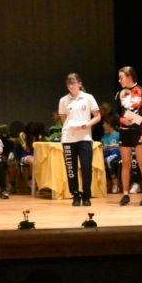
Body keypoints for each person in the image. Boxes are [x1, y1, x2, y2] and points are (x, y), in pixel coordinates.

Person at [58, 73, 101, 206]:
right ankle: (75, 194)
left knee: (86, 167)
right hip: (68, 138)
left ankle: (86, 195)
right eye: (68, 83)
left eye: (73, 83)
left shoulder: (88, 98)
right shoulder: (64, 100)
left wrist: (85, 125)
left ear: (79, 84)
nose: (71, 86)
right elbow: (63, 118)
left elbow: (97, 116)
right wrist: (71, 127)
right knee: (71, 168)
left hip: (84, 137)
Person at [114, 66, 142, 206]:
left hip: (138, 132)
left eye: (121, 77)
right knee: (126, 163)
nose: (119, 80)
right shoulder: (119, 93)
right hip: (124, 131)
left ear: (129, 77)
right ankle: (125, 194)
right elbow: (115, 112)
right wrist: (122, 120)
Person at [101, 116, 121, 193]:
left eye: (104, 124)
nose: (103, 125)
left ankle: (115, 181)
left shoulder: (118, 134)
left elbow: (123, 145)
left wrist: (113, 146)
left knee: (108, 160)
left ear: (109, 124)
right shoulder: (104, 137)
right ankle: (105, 182)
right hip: (106, 153)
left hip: (116, 153)